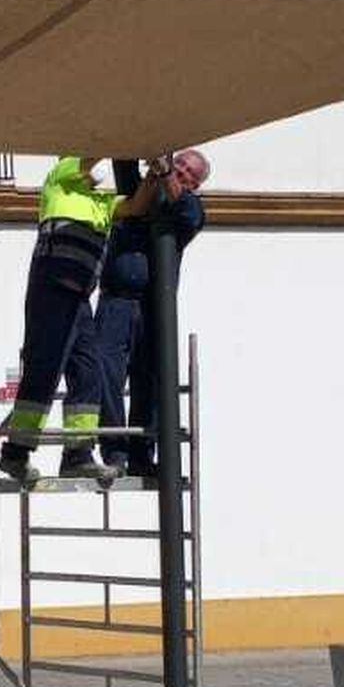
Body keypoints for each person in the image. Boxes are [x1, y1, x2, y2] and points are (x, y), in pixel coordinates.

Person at [0, 152, 160, 487]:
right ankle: (16, 452)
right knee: (45, 368)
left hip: (80, 297)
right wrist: (119, 137)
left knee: (89, 371)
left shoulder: (101, 203)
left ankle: (79, 453)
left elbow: (136, 207)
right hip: (51, 289)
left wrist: (155, 174)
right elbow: (88, 163)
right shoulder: (60, 179)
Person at [97, 150, 210, 480]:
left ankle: (142, 456)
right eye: (180, 163)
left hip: (153, 308)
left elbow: (176, 198)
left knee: (149, 381)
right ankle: (115, 452)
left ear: (196, 184)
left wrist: (163, 174)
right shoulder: (141, 193)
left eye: (188, 172)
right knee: (106, 374)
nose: (181, 170)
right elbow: (124, 160)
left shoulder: (190, 208)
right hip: (116, 301)